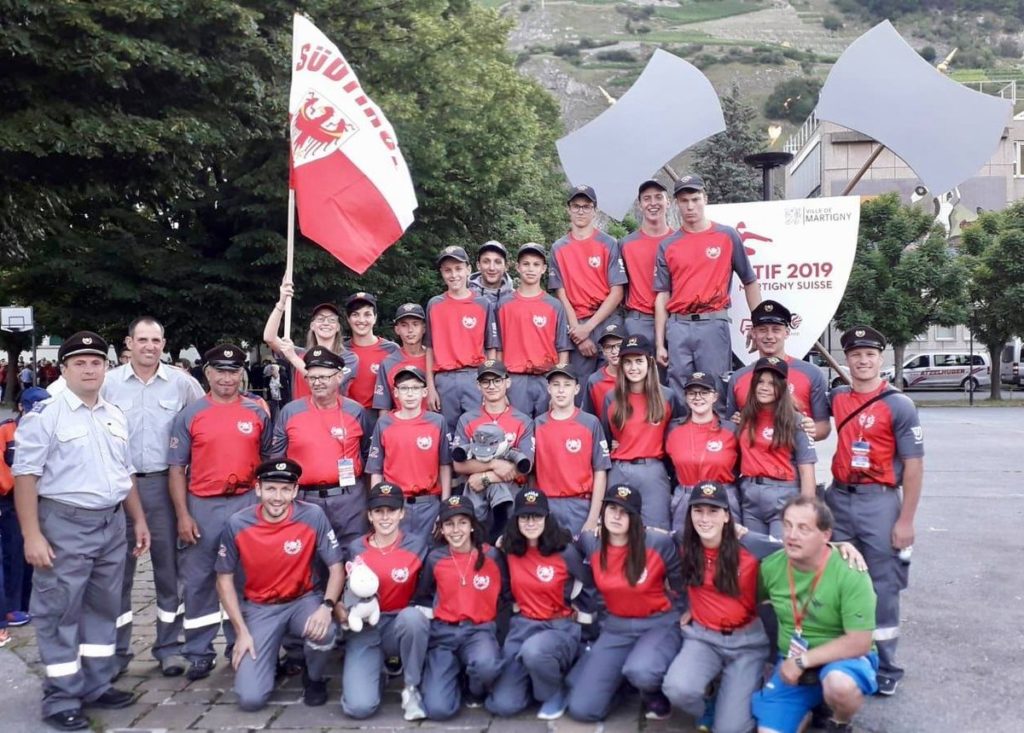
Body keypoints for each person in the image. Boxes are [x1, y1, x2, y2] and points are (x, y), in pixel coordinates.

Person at [13, 331, 151, 732]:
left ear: (106, 367)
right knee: (59, 610)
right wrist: (32, 535)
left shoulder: (113, 414)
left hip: (111, 523)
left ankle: (96, 683)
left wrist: (139, 519)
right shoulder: (46, 415)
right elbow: (25, 476)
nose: (89, 369)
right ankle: (61, 696)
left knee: (103, 608)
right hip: (64, 524)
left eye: (96, 362)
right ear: (65, 368)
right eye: (80, 363)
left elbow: (125, 472)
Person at [101, 316, 204, 678]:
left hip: (165, 486)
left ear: (164, 343)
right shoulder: (108, 383)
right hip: (117, 489)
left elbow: (203, 423)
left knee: (169, 571)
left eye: (155, 340)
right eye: (142, 340)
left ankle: (169, 647)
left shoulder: (182, 384)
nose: (149, 346)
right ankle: (116, 652)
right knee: (117, 573)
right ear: (129, 343)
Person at [825, 325, 924, 697]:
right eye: (855, 355)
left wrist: (906, 520)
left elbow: (913, 465)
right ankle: (845, 658)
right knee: (839, 578)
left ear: (880, 358)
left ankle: (886, 666)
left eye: (869, 354)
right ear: (847, 359)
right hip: (838, 498)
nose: (862, 361)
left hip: (879, 501)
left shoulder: (899, 404)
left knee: (883, 585)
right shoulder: (837, 397)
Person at [168, 344, 273, 681]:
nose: (227, 378)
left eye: (233, 371)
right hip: (203, 504)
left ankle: (239, 643)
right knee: (199, 580)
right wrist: (183, 515)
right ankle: (199, 652)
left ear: (241, 374)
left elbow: (269, 460)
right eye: (220, 371)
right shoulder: (190, 414)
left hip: (246, 502)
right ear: (208, 373)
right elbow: (176, 469)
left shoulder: (257, 411)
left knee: (245, 576)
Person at [215, 458, 344, 712]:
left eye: (285, 489)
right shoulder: (237, 523)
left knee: (325, 631)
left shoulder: (312, 515)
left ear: (295, 491)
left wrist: (326, 606)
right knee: (251, 700)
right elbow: (223, 579)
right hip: (260, 608)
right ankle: (268, 659)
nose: (278, 497)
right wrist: (241, 632)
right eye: (271, 489)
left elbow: (336, 567)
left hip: (302, 600)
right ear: (258, 488)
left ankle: (314, 678)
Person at [752, 496, 879, 733]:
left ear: (826, 535)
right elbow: (746, 602)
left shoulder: (851, 571)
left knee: (839, 685)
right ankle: (807, 711)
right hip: (791, 661)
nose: (792, 535)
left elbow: (859, 642)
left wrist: (802, 661)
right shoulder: (771, 567)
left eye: (803, 528)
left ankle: (840, 722)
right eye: (787, 525)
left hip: (842, 660)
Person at [661, 482, 773, 733]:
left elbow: (796, 547)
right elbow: (647, 534)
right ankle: (709, 703)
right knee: (677, 689)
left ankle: (752, 688)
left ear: (726, 516)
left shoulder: (751, 544)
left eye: (713, 511)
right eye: (698, 510)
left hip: (747, 643)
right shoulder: (684, 540)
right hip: (703, 638)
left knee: (730, 729)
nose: (704, 519)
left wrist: (838, 546)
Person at [568, 485, 683, 722]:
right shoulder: (591, 541)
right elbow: (563, 546)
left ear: (636, 517)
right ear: (603, 512)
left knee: (641, 670)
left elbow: (682, 585)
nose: (617, 516)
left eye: (625, 512)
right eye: (612, 509)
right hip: (616, 627)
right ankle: (621, 685)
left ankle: (653, 694)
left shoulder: (657, 543)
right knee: (582, 709)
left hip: (657, 622)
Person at [486, 488, 591, 721]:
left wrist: (584, 621)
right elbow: (504, 584)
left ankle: (554, 692)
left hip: (558, 626)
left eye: (536, 516)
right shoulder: (509, 550)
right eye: (524, 517)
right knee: (503, 705)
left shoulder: (565, 551)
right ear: (516, 520)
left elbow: (588, 585)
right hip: (522, 626)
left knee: (534, 652)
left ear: (547, 518)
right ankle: (534, 684)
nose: (530, 522)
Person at [654, 174, 761, 401]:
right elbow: (662, 295)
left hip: (713, 322)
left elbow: (749, 281)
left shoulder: (726, 235)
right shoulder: (668, 245)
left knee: (716, 388)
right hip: (678, 325)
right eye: (684, 201)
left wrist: (758, 322)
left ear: (705, 199)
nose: (690, 206)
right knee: (679, 389)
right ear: (676, 204)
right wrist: (660, 342)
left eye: (695, 199)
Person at [341, 481, 431, 721]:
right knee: (359, 707)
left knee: (414, 619)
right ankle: (377, 672)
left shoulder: (417, 545)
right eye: (378, 511)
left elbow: (428, 587)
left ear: (401, 513)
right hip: (366, 628)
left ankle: (411, 687)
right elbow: (348, 590)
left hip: (400, 622)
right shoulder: (356, 548)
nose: (385, 517)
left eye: (391, 510)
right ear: (370, 515)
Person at [271, 348, 374, 548]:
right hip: (304, 500)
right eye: (312, 377)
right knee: (307, 555)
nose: (317, 383)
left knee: (354, 555)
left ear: (339, 377)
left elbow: (368, 457)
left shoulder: (356, 411)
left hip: (350, 501)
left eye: (324, 377)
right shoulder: (290, 412)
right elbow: (277, 458)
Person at [415, 495, 505, 720]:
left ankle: (473, 685)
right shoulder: (435, 558)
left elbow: (506, 595)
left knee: (486, 667)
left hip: (478, 632)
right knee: (438, 710)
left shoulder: (492, 556)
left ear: (472, 525)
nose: (456, 530)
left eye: (462, 523)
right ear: (442, 529)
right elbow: (424, 596)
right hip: (443, 636)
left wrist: (497, 632)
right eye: (449, 524)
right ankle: (448, 674)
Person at [549, 185, 627, 395]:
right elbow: (561, 294)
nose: (581, 211)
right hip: (576, 323)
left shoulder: (609, 243)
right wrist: (580, 333)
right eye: (576, 206)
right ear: (568, 209)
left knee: (614, 384)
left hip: (607, 320)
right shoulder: (558, 248)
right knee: (581, 389)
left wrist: (590, 326)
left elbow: (617, 291)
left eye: (586, 206)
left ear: (594, 210)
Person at [601, 335, 682, 530]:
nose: (633, 367)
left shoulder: (667, 396)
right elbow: (605, 438)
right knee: (617, 531)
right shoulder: (611, 398)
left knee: (656, 532)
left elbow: (676, 437)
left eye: (639, 361)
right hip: (619, 469)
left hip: (653, 470)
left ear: (649, 362)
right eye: (627, 362)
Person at [367, 366, 452, 542]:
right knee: (398, 551)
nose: (410, 393)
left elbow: (445, 465)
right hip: (395, 503)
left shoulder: (437, 422)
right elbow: (376, 470)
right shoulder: (384, 423)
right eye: (404, 388)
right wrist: (378, 505)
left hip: (429, 503)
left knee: (430, 551)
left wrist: (445, 505)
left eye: (415, 388)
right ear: (396, 393)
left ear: (424, 392)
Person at [452, 360, 533, 540]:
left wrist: (486, 477)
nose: (491, 386)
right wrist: (494, 464)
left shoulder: (523, 420)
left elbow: (526, 465)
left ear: (507, 382)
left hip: (511, 495)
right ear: (478, 385)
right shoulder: (467, 419)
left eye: (497, 380)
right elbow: (458, 465)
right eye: (485, 381)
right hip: (474, 492)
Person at [737, 357, 817, 539]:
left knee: (779, 552)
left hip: (783, 496)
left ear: (782, 387)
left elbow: (807, 472)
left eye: (772, 383)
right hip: (750, 495)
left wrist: (806, 511)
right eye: (760, 382)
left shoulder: (796, 420)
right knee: (753, 550)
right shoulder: (745, 418)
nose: (764, 387)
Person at [727, 300, 831, 440]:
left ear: (786, 333)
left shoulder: (812, 373)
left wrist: (807, 431)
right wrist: (734, 426)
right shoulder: (738, 378)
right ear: (753, 333)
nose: (769, 336)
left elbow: (823, 427)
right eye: (762, 330)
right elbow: (729, 427)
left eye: (776, 330)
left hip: (795, 453)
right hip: (750, 453)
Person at [425, 245, 500, 437]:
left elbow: (491, 348)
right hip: (444, 379)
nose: (454, 275)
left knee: (479, 431)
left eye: (458, 269)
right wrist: (430, 387)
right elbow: (430, 349)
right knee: (447, 434)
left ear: (468, 269)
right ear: (442, 273)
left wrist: (490, 382)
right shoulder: (435, 304)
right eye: (447, 270)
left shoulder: (483, 304)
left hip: (474, 377)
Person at [532, 365, 610, 536]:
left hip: (580, 505)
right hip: (547, 505)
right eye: (556, 384)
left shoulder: (591, 423)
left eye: (567, 385)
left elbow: (600, 471)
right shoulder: (537, 425)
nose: (561, 390)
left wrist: (593, 517)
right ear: (548, 389)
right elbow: (531, 473)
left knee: (581, 551)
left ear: (576, 389)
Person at [495, 243, 571, 418]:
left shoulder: (554, 305)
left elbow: (563, 349)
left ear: (544, 269)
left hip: (546, 378)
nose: (531, 269)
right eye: (526, 264)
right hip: (515, 379)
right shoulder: (504, 304)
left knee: (547, 426)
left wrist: (559, 384)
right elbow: (497, 349)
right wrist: (500, 384)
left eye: (536, 264)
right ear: (517, 267)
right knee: (518, 428)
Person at [0, 386, 50, 631]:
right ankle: (13, 606)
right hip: (12, 502)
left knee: (40, 556)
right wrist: (19, 486)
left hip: (45, 499)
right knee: (15, 554)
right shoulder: (7, 430)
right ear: (21, 407)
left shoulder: (51, 429)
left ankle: (31, 601)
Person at [665, 372, 741, 530]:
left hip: (723, 496)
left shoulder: (731, 429)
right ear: (685, 397)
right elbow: (667, 464)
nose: (698, 397)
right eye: (692, 393)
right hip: (685, 496)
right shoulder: (672, 429)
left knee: (726, 543)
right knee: (682, 543)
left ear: (715, 397)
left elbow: (742, 464)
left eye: (704, 392)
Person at [263, 281, 357, 401]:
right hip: (300, 412)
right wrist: (281, 303)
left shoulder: (348, 358)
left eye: (332, 320)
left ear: (338, 327)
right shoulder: (299, 353)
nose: (326, 323)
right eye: (321, 319)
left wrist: (293, 358)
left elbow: (329, 382)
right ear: (312, 326)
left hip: (333, 412)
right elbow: (269, 338)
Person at [620, 179, 676, 346]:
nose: (653, 203)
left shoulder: (679, 241)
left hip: (675, 319)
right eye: (647, 198)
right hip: (639, 320)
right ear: (640, 205)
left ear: (668, 202)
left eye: (658, 197)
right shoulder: (625, 244)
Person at [343, 291, 399, 414]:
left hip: (380, 415)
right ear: (348, 319)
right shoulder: (341, 351)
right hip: (347, 416)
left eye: (367, 314)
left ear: (375, 318)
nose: (361, 320)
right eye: (355, 314)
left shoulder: (391, 350)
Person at [372, 303, 428, 415]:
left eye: (415, 324)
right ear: (397, 329)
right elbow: (383, 407)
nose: (410, 330)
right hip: (401, 422)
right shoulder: (388, 363)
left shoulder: (436, 359)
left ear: (424, 328)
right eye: (404, 325)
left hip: (432, 422)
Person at [580, 321, 624, 420]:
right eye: (608, 347)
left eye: (619, 346)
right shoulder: (594, 380)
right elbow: (588, 415)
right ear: (603, 351)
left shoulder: (634, 375)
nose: (614, 351)